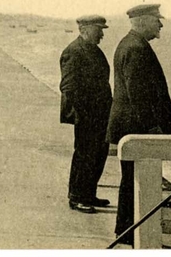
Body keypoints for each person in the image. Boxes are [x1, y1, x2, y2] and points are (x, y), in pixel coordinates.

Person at [106, 4, 171, 244]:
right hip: (137, 128)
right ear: (141, 21)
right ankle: (132, 233)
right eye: (156, 20)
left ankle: (127, 230)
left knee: (131, 180)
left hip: (131, 126)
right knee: (136, 181)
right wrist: (153, 129)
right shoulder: (136, 48)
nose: (160, 24)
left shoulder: (130, 44)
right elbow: (138, 95)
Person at [59, 15, 113, 214]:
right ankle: (77, 197)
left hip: (99, 115)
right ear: (86, 28)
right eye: (99, 29)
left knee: (98, 155)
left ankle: (89, 193)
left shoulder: (93, 50)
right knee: (84, 155)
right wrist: (85, 112)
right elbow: (68, 87)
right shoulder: (74, 51)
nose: (102, 34)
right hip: (87, 116)